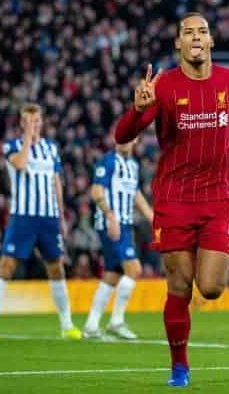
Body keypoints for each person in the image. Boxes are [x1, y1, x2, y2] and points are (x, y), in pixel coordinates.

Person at [114, 12, 229, 387]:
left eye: (202, 31)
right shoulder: (163, 85)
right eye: (188, 32)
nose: (196, 37)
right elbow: (122, 136)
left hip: (217, 199)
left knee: (212, 287)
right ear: (178, 44)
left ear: (211, 41)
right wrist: (137, 109)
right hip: (174, 200)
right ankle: (179, 365)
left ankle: (200, 272)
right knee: (180, 287)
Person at [0, 103, 81, 342]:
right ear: (21, 123)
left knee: (57, 269)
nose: (33, 125)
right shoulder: (12, 146)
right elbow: (21, 164)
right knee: (6, 266)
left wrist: (61, 215)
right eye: (28, 121)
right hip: (23, 217)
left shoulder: (51, 148)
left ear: (42, 122)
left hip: (48, 218)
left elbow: (56, 182)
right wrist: (27, 138)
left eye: (36, 121)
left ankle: (67, 325)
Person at [84, 139, 153, 340]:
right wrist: (110, 215)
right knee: (134, 269)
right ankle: (116, 321)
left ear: (137, 140)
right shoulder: (108, 161)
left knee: (113, 274)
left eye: (130, 136)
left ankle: (91, 325)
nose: (125, 140)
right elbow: (96, 190)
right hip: (111, 224)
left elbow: (136, 195)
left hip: (125, 224)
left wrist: (152, 218)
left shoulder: (133, 165)